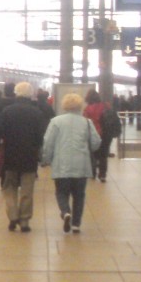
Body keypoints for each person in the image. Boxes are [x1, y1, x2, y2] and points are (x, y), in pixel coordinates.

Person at [41, 91, 100, 234]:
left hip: (62, 164)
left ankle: (65, 212)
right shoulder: (87, 122)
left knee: (61, 192)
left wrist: (46, 159)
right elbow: (96, 142)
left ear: (64, 106)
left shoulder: (56, 121)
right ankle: (76, 224)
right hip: (81, 165)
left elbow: (48, 143)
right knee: (79, 195)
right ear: (80, 106)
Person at [0, 82, 49, 232]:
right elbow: (40, 136)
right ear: (30, 94)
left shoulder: (7, 111)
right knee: (27, 189)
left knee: (9, 187)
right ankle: (24, 220)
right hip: (29, 156)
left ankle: (13, 215)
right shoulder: (36, 113)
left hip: (10, 155)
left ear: (16, 93)